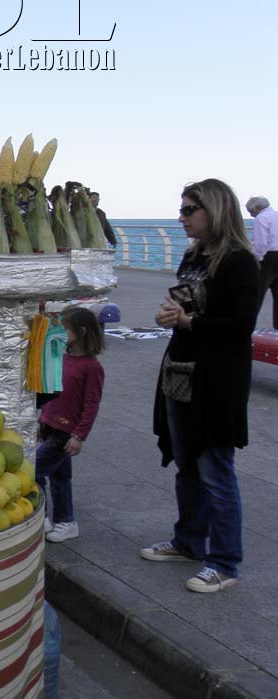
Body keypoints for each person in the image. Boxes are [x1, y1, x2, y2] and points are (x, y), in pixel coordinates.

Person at [142, 179, 259, 593]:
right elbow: (186, 306)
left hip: (216, 379)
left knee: (215, 470)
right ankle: (188, 541)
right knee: (187, 464)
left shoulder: (240, 261)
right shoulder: (194, 255)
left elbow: (241, 325)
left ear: (215, 209)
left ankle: (224, 562)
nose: (181, 218)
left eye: (189, 210)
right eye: (181, 209)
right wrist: (169, 315)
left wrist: (190, 322)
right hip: (180, 372)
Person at [36, 306, 105, 544]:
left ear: (82, 332)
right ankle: (66, 521)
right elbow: (52, 393)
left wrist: (79, 435)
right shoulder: (63, 358)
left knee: (34, 471)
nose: (60, 333)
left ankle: (43, 518)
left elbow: (92, 404)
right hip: (51, 426)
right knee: (60, 476)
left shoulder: (92, 367)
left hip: (66, 432)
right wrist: (43, 420)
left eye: (64, 329)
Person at [245, 196, 277, 329]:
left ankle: (247, 325)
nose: (251, 215)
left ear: (258, 208)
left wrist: (256, 260)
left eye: (251, 211)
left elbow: (261, 243)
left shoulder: (261, 218)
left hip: (269, 257)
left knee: (256, 294)